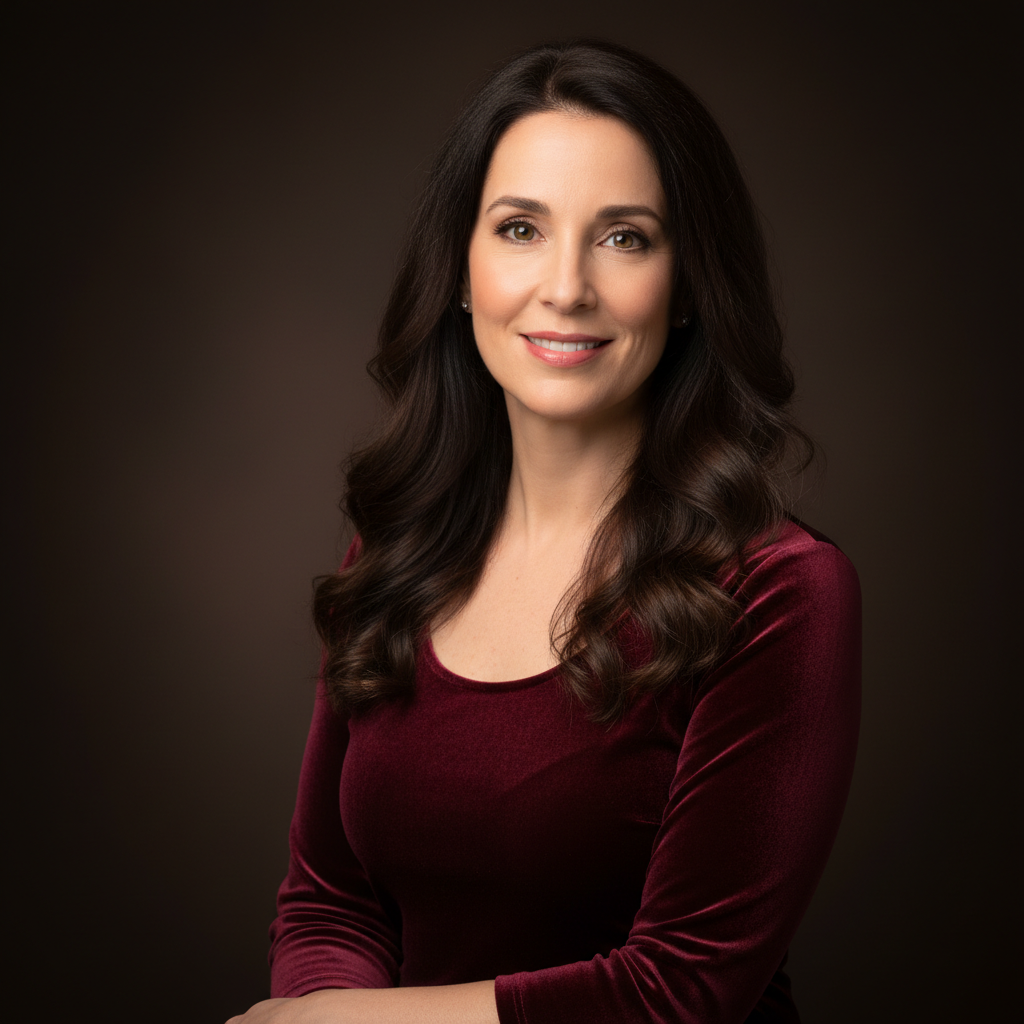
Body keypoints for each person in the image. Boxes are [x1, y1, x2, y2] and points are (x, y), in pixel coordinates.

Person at [227, 39, 860, 1024]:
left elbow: (680, 993)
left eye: (624, 238)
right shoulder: (396, 557)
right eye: (520, 228)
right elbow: (329, 899)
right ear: (465, 270)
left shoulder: (780, 590)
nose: (565, 286)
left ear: (687, 285)